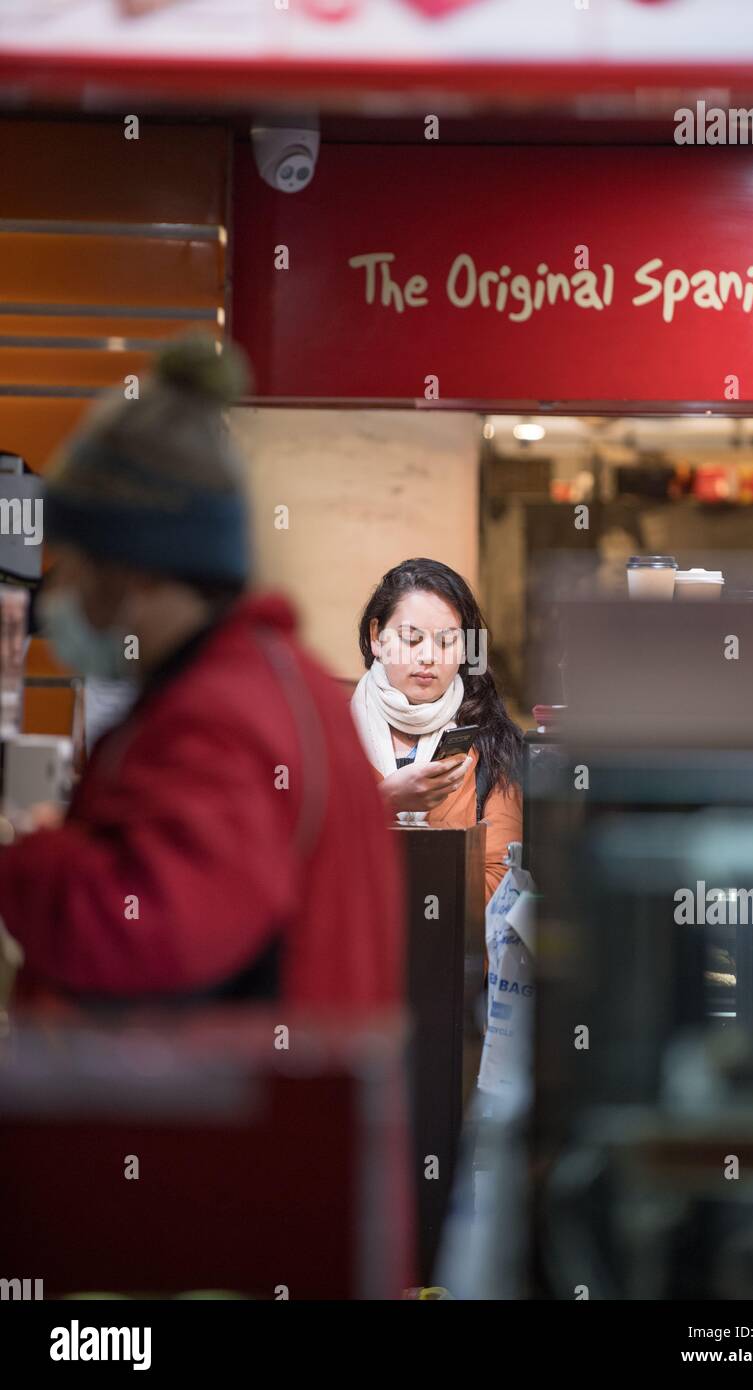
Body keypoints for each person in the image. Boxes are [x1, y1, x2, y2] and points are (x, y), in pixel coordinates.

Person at [0, 337, 402, 1014]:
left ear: (134, 570)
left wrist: (29, 859)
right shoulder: (267, 680)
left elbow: (148, 936)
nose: (56, 595)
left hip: (243, 1112)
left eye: (69, 566)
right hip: (286, 1104)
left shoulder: (218, 716)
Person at [352, 558, 523, 899]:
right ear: (376, 637)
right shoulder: (331, 735)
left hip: (448, 948)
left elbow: (501, 885)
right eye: (411, 639)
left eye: (446, 642)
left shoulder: (492, 744)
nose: (429, 657)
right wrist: (383, 802)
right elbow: (296, 862)